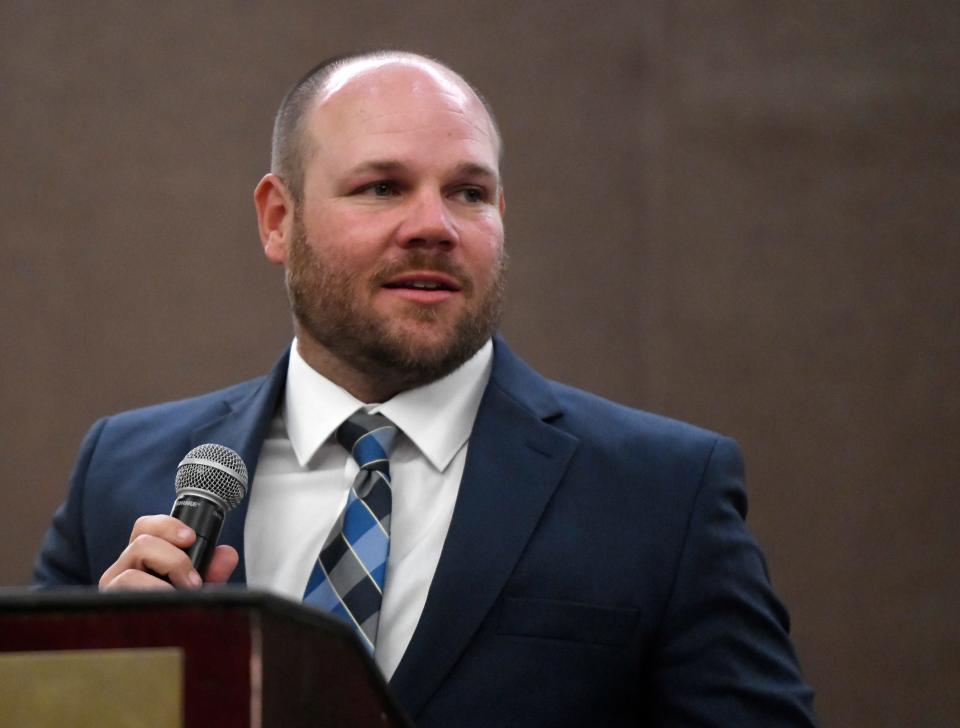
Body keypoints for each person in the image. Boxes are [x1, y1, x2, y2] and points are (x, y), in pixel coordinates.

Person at [34, 50, 816, 725]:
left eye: (469, 193)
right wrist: (112, 692)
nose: (434, 225)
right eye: (382, 187)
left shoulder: (662, 493)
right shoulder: (125, 472)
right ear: (279, 219)